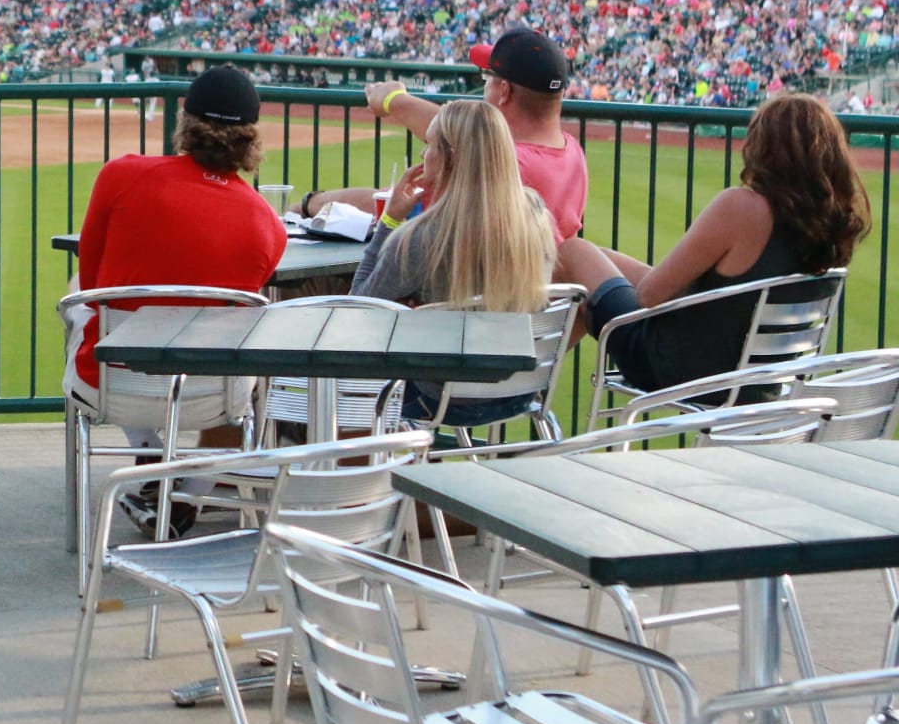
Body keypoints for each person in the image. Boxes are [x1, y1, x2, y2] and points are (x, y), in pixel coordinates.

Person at [66, 66, 285, 536]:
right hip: (212, 400)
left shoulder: (121, 174)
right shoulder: (269, 224)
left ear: (184, 123)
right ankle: (191, 492)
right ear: (250, 139)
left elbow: (90, 280)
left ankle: (151, 454)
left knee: (81, 297)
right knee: (247, 346)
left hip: (109, 386)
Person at [559, 93, 872, 393]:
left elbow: (648, 296)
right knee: (597, 257)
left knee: (575, 251)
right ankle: (536, 381)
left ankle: (531, 379)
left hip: (676, 368)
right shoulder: (831, 225)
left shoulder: (742, 207)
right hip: (758, 380)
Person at [351, 102, 555, 426]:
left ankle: (338, 467)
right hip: (520, 392)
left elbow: (358, 307)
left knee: (351, 372)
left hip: (441, 400)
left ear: (452, 155)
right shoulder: (534, 215)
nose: (423, 156)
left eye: (429, 145)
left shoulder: (420, 237)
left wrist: (389, 220)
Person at [304, 28, 588, 241]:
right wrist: (397, 102)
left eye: (486, 79)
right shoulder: (572, 153)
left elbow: (394, 206)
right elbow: (463, 134)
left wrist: (309, 203)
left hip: (464, 310)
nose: (484, 87)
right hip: (537, 311)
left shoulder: (498, 163)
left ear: (504, 92)